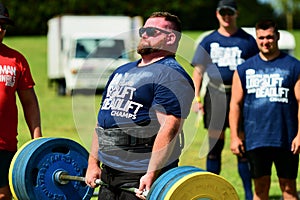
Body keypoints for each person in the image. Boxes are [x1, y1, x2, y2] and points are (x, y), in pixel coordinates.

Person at [85, 12, 194, 200]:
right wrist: (93, 163)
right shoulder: (122, 71)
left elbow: (169, 127)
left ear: (170, 38)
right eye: (143, 30)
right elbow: (102, 121)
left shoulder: (171, 75)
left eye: (152, 31)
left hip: (140, 174)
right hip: (109, 171)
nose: (144, 34)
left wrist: (152, 173)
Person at [191, 0, 259, 199]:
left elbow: (257, 67)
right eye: (223, 13)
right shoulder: (209, 40)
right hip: (215, 94)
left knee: (242, 146)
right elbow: (198, 72)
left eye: (230, 12)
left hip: (241, 95)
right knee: (215, 145)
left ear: (237, 14)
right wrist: (196, 98)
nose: (226, 17)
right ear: (217, 14)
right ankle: (211, 191)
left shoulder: (247, 40)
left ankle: (248, 193)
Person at [229, 19, 300, 200]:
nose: (265, 42)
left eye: (269, 37)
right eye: (261, 38)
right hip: (256, 138)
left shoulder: (294, 66)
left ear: (276, 37)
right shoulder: (244, 69)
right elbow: (235, 104)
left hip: (287, 138)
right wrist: (235, 136)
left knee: (289, 187)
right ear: (256, 39)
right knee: (260, 189)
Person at [0, 2, 42, 200]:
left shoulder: (16, 60)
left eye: (4, 25)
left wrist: (37, 139)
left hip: (5, 144)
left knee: (3, 195)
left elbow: (29, 102)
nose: (0, 29)